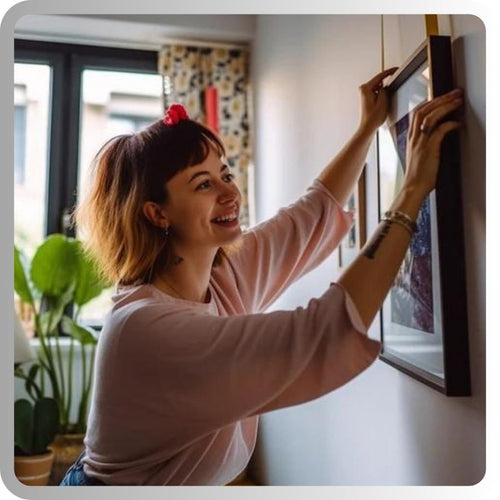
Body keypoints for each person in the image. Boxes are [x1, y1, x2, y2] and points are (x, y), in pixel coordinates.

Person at [59, 67, 463, 486]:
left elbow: (309, 215)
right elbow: (321, 331)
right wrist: (412, 190)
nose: (230, 193)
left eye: (226, 175)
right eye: (203, 185)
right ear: (156, 213)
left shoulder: (217, 273)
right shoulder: (147, 329)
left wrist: (366, 129)